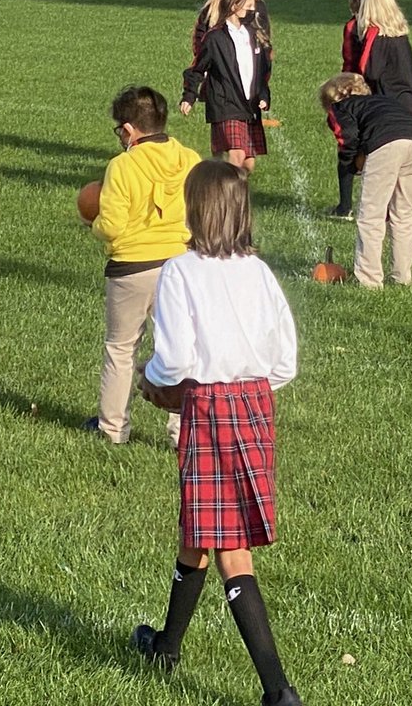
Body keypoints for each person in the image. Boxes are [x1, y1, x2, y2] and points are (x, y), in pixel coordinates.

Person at [133, 161, 301, 706]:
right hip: (256, 403)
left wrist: (152, 381)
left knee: (230, 549)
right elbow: (285, 361)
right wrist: (250, 386)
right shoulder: (259, 272)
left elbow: (175, 357)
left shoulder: (181, 271)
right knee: (199, 530)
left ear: (194, 210)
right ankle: (166, 647)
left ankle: (278, 690)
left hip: (207, 405)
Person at [81, 86, 201, 445]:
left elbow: (113, 225)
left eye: (120, 129)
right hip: (181, 265)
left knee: (121, 348)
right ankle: (184, 431)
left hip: (132, 268)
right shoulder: (190, 158)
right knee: (181, 346)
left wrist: (94, 224)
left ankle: (114, 428)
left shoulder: (123, 165)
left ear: (130, 130)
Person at [319, 73, 412, 289]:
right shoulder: (385, 101)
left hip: (386, 144)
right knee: (404, 214)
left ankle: (369, 280)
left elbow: (347, 138)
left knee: (371, 215)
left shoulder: (341, 108)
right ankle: (402, 277)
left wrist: (351, 164)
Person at [181, 0, 272, 172]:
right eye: (248, 6)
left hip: (249, 104)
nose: (252, 10)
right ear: (234, 6)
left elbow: (262, 71)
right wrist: (189, 95)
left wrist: (263, 95)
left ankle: (232, 193)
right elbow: (198, 68)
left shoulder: (254, 36)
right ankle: (227, 196)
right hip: (225, 103)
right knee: (236, 155)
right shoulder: (214, 38)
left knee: (248, 164)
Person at [328, 0, 376, 219]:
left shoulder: (353, 27)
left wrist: (346, 90)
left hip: (357, 96)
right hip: (379, 95)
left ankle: (345, 206)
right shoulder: (385, 28)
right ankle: (352, 205)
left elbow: (349, 62)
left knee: (349, 146)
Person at [354, 0, 412, 116]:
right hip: (408, 101)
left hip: (390, 105)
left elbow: (371, 72)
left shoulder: (378, 37)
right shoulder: (399, 35)